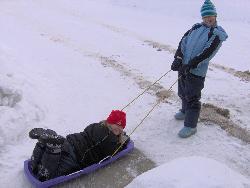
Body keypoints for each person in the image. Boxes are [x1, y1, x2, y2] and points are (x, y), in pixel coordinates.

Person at [171, 0, 228, 138]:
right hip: (184, 67)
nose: (208, 19)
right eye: (205, 16)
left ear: (215, 16)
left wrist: (191, 64)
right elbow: (183, 42)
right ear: (202, 17)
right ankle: (184, 111)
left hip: (196, 71)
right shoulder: (195, 28)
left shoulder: (216, 34)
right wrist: (178, 58)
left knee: (192, 97)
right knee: (182, 92)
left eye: (211, 16)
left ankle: (191, 126)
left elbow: (208, 53)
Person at [29, 110, 130, 181]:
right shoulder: (110, 139)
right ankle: (52, 149)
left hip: (68, 141)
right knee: (48, 176)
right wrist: (124, 141)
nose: (119, 129)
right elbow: (114, 152)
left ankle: (41, 146)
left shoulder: (96, 125)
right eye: (117, 125)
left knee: (39, 165)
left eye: (121, 127)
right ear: (110, 122)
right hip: (76, 156)